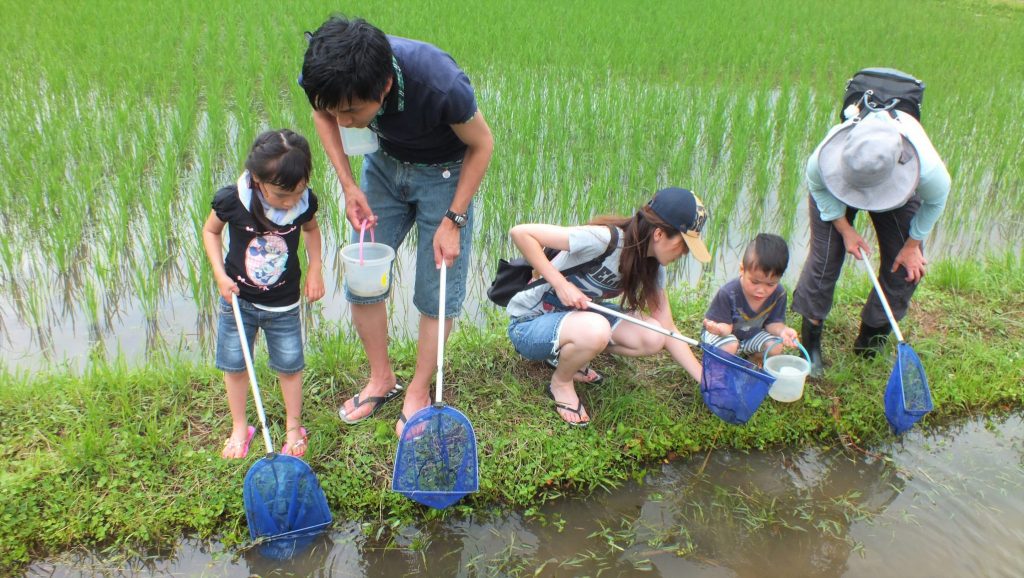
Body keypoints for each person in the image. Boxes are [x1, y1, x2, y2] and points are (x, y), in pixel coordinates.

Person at [301, 16, 494, 435]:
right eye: (338, 111)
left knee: (436, 290)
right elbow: (323, 115)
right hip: (382, 169)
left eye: (352, 111)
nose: (345, 121)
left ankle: (418, 391)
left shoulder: (439, 82)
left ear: (384, 86)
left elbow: (482, 144)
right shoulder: (327, 70)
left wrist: (453, 219)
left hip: (444, 175)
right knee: (363, 276)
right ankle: (381, 379)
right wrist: (349, 185)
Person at [505, 187, 710, 427]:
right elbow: (520, 233)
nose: (684, 253)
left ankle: (570, 354)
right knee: (597, 329)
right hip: (529, 324)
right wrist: (560, 284)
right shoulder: (605, 240)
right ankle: (560, 382)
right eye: (684, 244)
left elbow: (667, 328)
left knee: (654, 336)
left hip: (576, 321)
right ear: (659, 234)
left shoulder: (653, 267)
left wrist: (705, 381)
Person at [792, 104, 951, 377]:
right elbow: (818, 187)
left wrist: (912, 245)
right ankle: (810, 346)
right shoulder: (823, 159)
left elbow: (936, 201)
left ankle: (870, 343)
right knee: (825, 260)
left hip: (892, 180)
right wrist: (844, 228)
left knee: (907, 269)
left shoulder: (924, 167)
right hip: (836, 189)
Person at [201, 129, 325, 459]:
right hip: (238, 300)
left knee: (289, 366)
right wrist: (219, 275)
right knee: (235, 365)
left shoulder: (303, 202)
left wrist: (315, 269)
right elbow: (211, 232)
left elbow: (312, 231)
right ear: (257, 180)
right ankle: (240, 427)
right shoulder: (233, 200)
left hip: (284, 303)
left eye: (296, 193)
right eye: (281, 196)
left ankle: (293, 428)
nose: (289, 203)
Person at [702, 233, 798, 358]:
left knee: (775, 346)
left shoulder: (779, 294)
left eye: (770, 284)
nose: (761, 290)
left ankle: (750, 363)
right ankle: (721, 364)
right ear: (742, 269)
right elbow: (725, 327)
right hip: (722, 334)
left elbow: (773, 323)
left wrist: (782, 331)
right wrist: (719, 330)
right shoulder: (728, 293)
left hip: (749, 337)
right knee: (730, 345)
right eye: (755, 282)